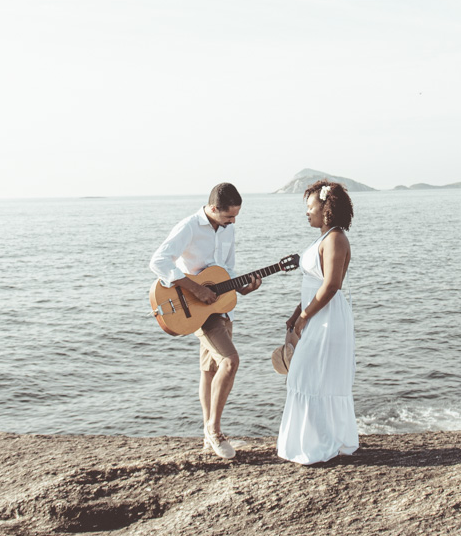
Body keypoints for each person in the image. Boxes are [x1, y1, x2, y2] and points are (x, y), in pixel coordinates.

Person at [149, 182, 261, 459]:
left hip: (222, 305)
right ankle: (214, 431)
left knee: (210, 370)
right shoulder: (189, 227)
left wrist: (242, 287)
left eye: (235, 216)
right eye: (228, 217)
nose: (232, 221)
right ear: (213, 208)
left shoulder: (228, 229)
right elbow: (158, 261)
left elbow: (228, 270)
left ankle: (207, 436)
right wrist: (194, 287)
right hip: (194, 306)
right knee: (230, 361)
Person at [277, 179, 358, 465]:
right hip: (315, 313)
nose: (306, 212)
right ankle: (314, 441)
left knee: (311, 376)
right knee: (305, 376)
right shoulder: (321, 238)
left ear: (326, 208)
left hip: (327, 318)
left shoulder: (336, 238)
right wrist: (295, 312)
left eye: (310, 206)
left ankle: (322, 443)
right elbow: (314, 284)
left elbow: (332, 285)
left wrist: (304, 316)